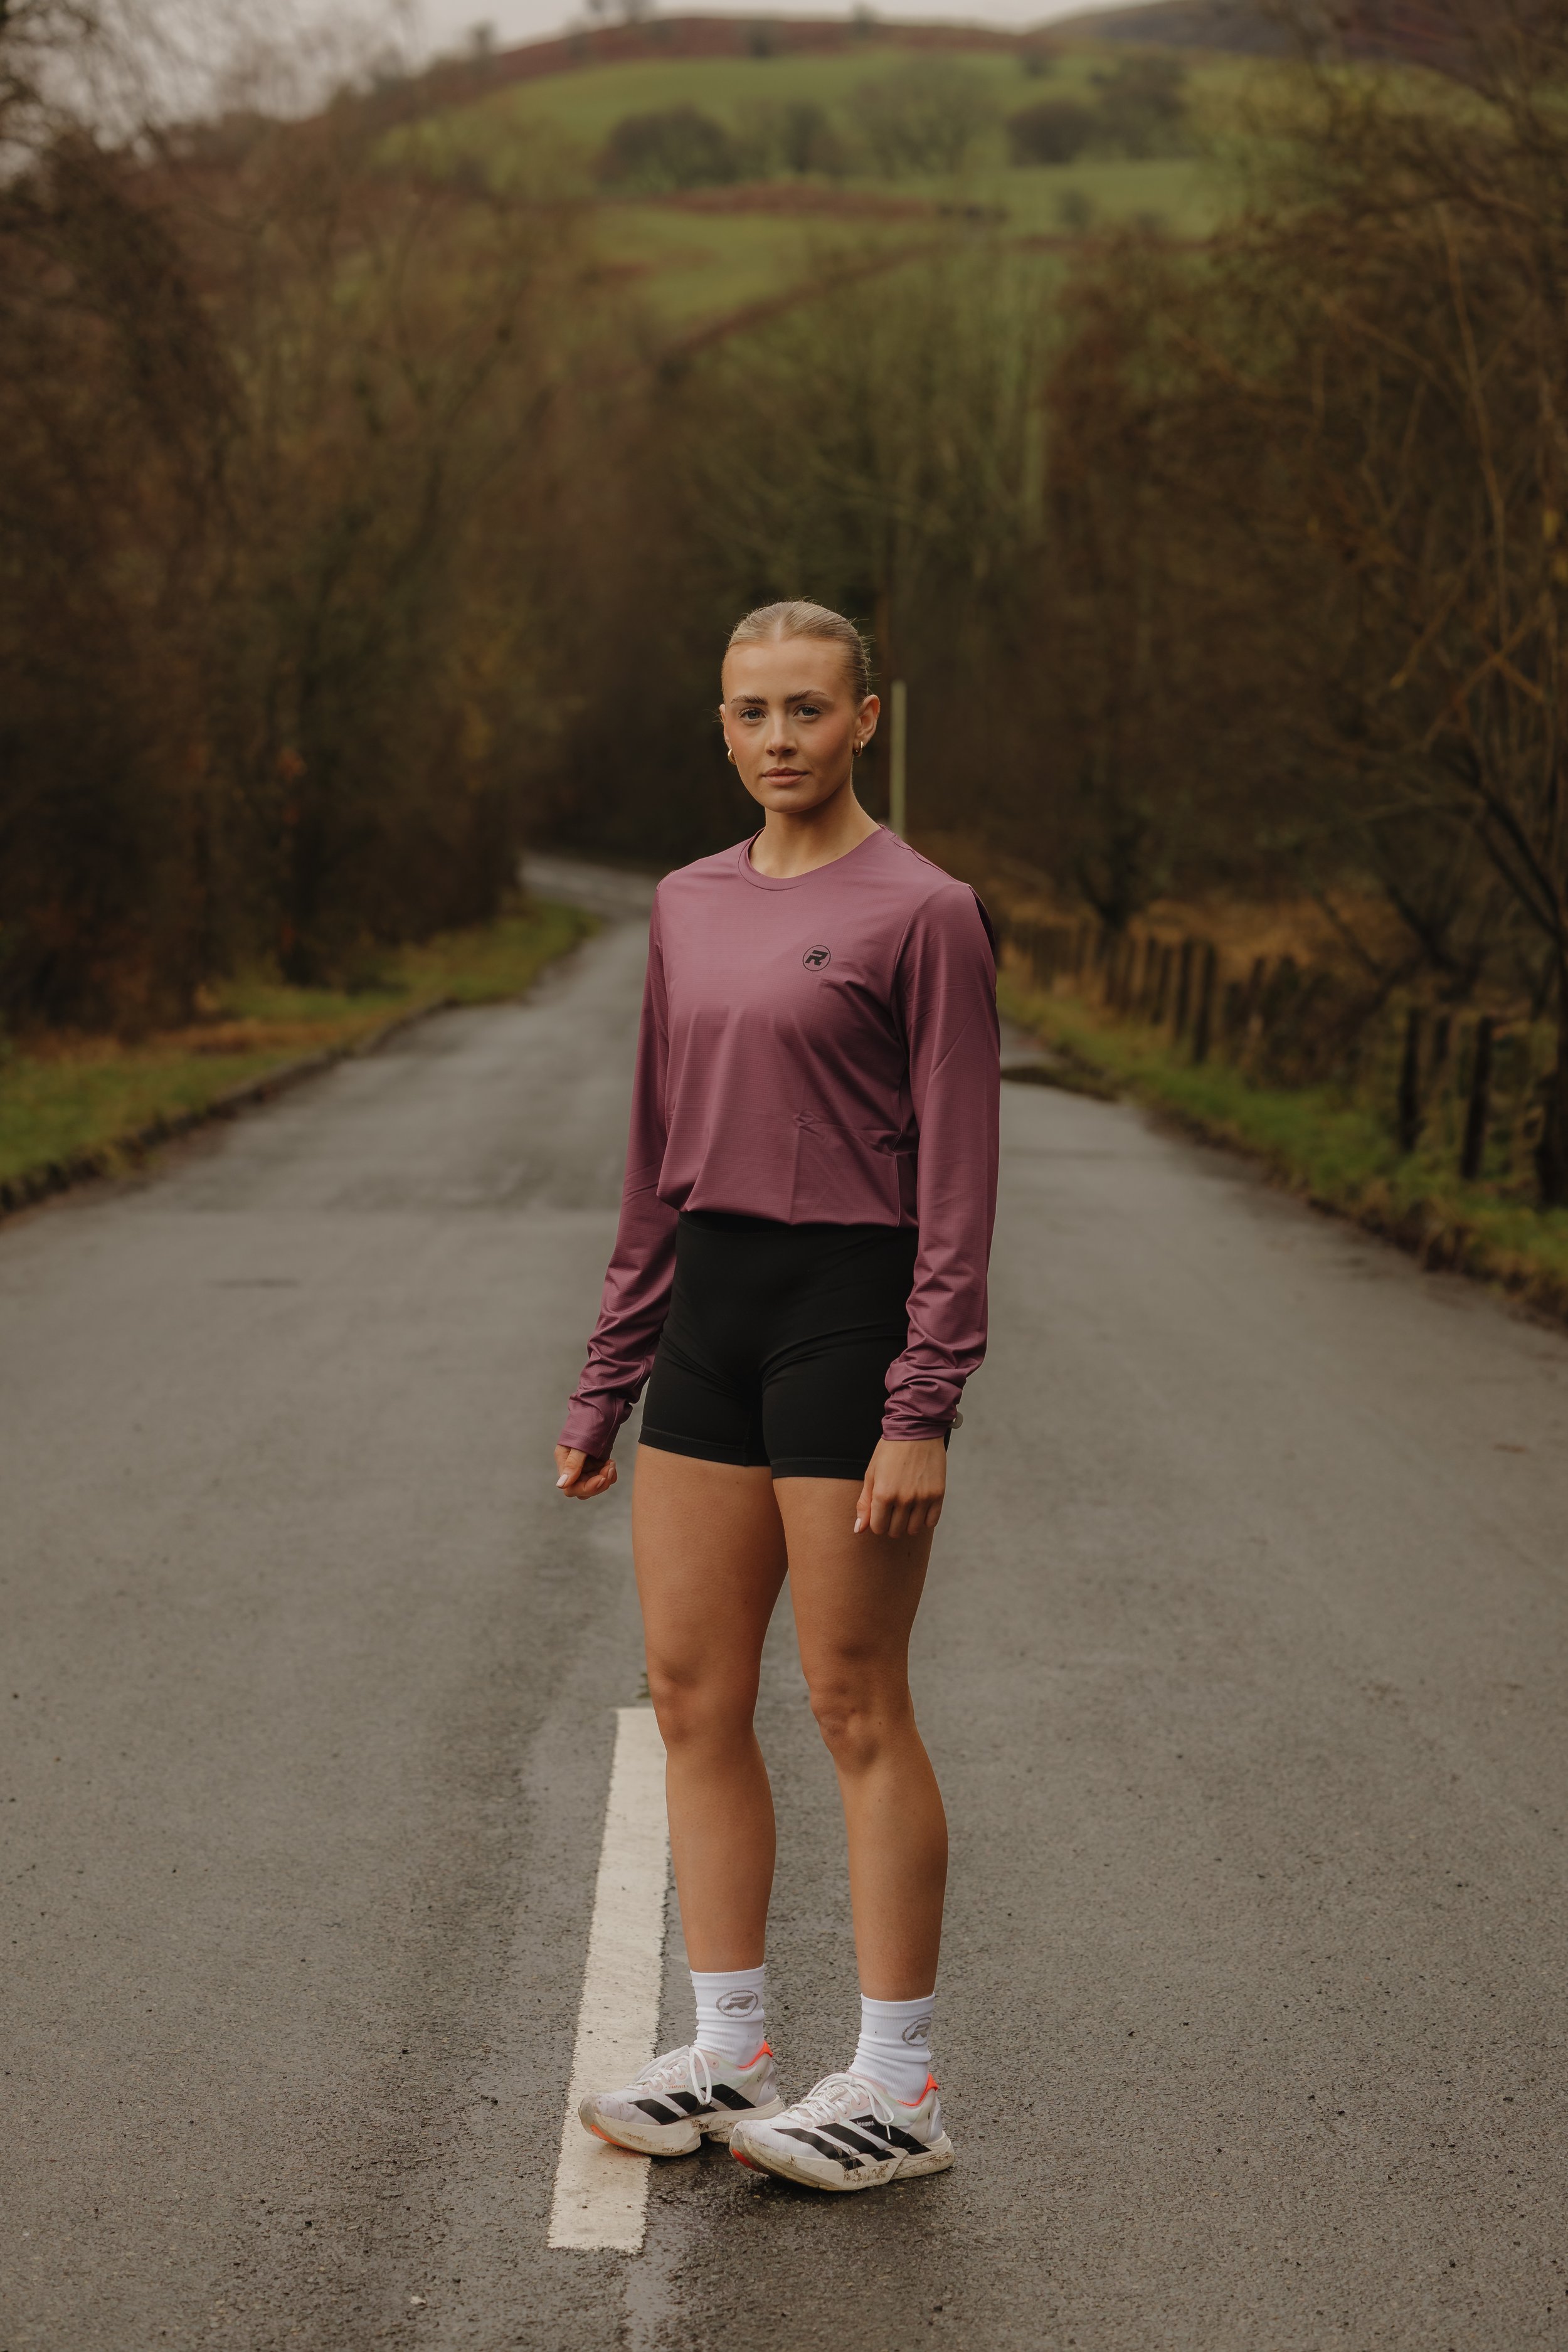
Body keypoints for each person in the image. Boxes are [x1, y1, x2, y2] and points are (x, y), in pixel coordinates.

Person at [554, 599, 999, 2193]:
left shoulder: (923, 912)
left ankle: (900, 2082)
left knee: (853, 1699)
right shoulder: (684, 905)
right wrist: (609, 1374)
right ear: (722, 725)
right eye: (752, 713)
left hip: (848, 1318)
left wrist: (921, 1396)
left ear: (866, 717)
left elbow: (957, 1181)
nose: (779, 740)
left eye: (808, 709)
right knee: (689, 1694)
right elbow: (653, 1158)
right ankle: (729, 2048)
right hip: (709, 1321)